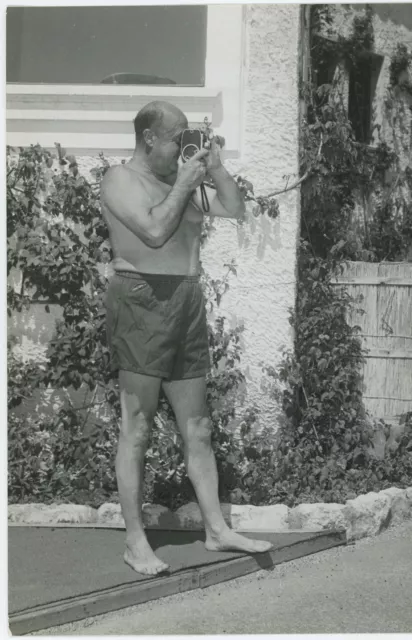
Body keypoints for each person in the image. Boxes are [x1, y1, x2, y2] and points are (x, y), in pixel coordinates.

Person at [101, 100, 272, 575]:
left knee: (197, 425)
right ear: (150, 137)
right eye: (178, 137)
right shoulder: (120, 180)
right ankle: (136, 542)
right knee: (137, 426)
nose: (184, 147)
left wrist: (215, 170)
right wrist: (184, 183)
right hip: (140, 298)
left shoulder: (186, 182)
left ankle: (217, 530)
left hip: (187, 300)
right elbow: (154, 231)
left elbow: (236, 209)